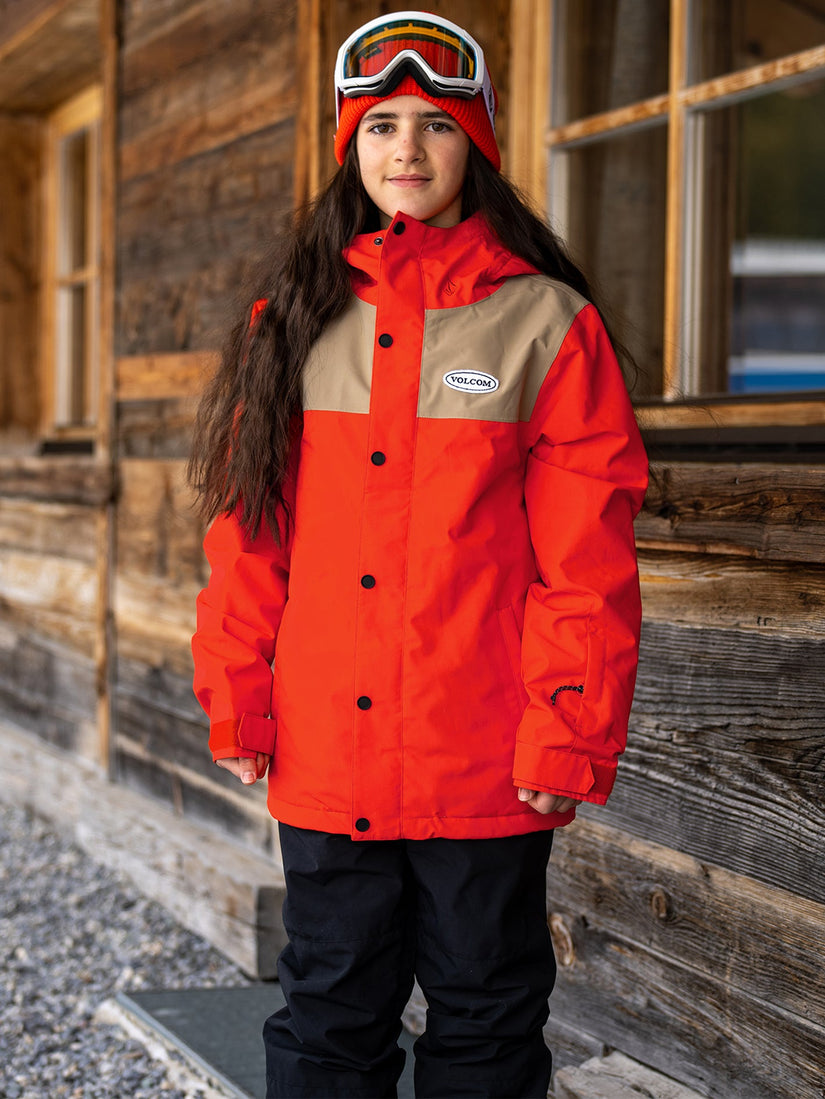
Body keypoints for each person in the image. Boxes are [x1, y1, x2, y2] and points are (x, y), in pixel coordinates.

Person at [189, 10, 649, 1098]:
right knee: (328, 1012)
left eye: (435, 124)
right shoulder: (289, 321)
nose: (407, 148)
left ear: (474, 143)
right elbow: (248, 535)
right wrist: (237, 692)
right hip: (328, 752)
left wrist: (567, 730)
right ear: (351, 147)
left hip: (482, 758)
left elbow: (587, 561)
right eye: (381, 125)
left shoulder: (546, 325)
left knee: (486, 1018)